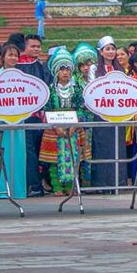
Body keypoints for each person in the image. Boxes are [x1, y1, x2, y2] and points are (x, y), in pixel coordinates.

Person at [39, 48, 89, 196]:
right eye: (62, 69)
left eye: (68, 69)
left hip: (74, 129)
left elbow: (81, 108)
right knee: (55, 160)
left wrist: (74, 125)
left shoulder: (77, 89)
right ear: (56, 71)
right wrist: (56, 127)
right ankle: (57, 187)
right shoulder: (51, 90)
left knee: (74, 158)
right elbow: (47, 109)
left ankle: (71, 186)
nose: (65, 72)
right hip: (55, 129)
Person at [0, 44, 27, 200]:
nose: (13, 58)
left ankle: (17, 190)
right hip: (0, 120)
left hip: (18, 121)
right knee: (0, 152)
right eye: (10, 55)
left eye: (16, 55)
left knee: (18, 155)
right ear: (3, 57)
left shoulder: (22, 76)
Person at [87, 35, 128, 190]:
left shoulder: (120, 69)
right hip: (101, 113)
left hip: (118, 114)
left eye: (113, 49)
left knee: (117, 147)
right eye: (107, 49)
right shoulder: (94, 68)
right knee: (102, 147)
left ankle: (119, 182)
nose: (111, 52)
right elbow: (92, 88)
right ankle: (102, 183)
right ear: (101, 51)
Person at [17, 34, 52, 197]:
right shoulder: (19, 65)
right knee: (29, 151)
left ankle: (38, 183)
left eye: (38, 46)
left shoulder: (40, 64)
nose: (36, 49)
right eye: (33, 46)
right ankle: (33, 184)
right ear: (25, 47)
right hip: (25, 115)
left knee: (40, 151)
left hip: (40, 115)